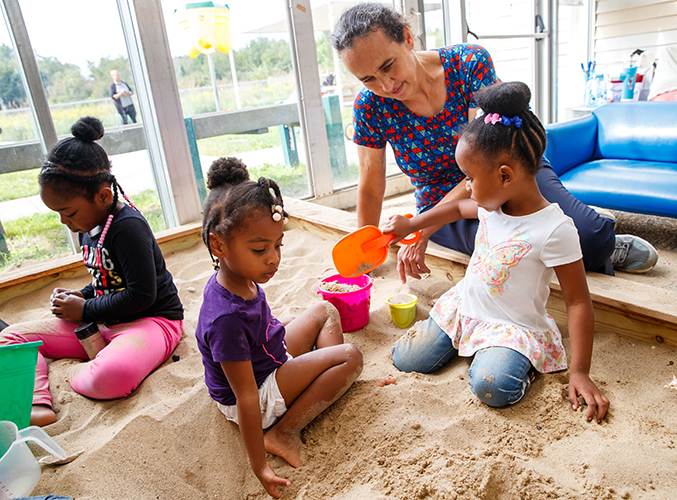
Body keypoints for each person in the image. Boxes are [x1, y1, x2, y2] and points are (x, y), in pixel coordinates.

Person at [330, 2, 658, 281]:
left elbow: (486, 157)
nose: (386, 84)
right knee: (515, 253)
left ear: (407, 38)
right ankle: (584, 233)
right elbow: (371, 186)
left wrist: (421, 228)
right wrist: (365, 254)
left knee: (588, 237)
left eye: (388, 66)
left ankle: (602, 237)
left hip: (508, 168)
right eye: (368, 79)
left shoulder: (468, 63)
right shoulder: (369, 106)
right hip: (443, 202)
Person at [383, 81, 610, 422]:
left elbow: (578, 302)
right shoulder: (493, 205)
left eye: (470, 178)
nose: (467, 187)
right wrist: (412, 225)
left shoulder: (555, 229)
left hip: (512, 327)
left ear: (505, 175)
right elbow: (457, 210)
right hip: (465, 307)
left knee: (493, 387)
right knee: (406, 359)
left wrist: (579, 372)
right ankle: (474, 346)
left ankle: (511, 361)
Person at [196, 157, 363, 499]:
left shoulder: (242, 278)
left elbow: (262, 328)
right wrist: (259, 466)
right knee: (350, 356)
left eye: (277, 246)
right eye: (260, 249)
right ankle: (283, 432)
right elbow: (243, 396)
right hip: (255, 394)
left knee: (324, 309)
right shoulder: (225, 318)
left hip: (270, 359)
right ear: (218, 245)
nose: (273, 258)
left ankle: (326, 379)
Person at [0, 117, 183, 427]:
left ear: (102, 196)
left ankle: (83, 369)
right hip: (102, 321)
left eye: (67, 212)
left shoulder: (128, 227)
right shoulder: (90, 223)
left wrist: (84, 308)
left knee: (113, 377)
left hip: (150, 321)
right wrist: (80, 296)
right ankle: (38, 403)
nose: (63, 222)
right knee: (10, 337)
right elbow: (106, 279)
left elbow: (141, 294)